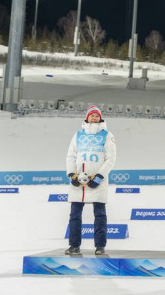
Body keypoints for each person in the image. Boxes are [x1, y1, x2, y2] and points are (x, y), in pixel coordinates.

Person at [65, 106, 117, 256]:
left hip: (97, 182)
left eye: (96, 115)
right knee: (75, 215)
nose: (94, 117)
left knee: (99, 214)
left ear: (100, 118)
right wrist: (71, 174)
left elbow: (111, 158)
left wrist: (99, 176)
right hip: (78, 181)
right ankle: (74, 245)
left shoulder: (107, 135)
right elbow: (71, 156)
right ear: (86, 117)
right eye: (91, 115)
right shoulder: (78, 135)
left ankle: (100, 246)